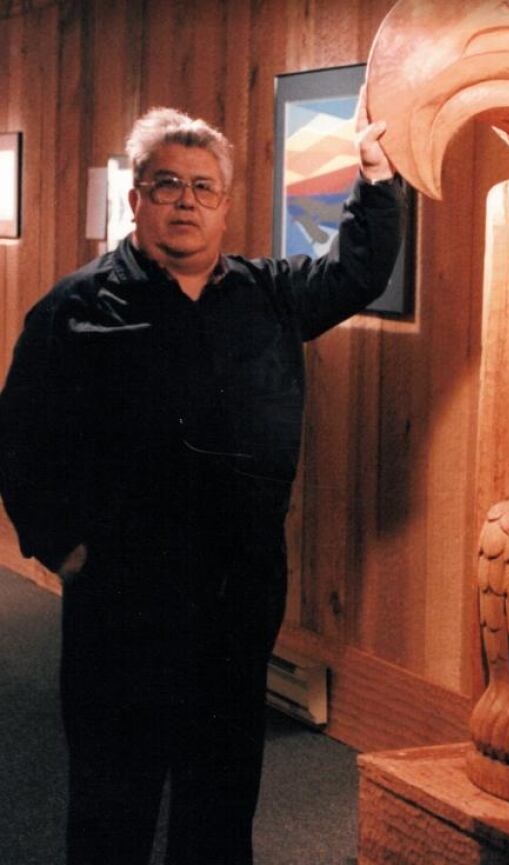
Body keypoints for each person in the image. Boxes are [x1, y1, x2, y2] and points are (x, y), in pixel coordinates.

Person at [0, 91, 401, 865]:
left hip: (235, 594)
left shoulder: (271, 295)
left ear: (223, 205)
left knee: (219, 799)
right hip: (121, 600)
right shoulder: (75, 309)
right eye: (166, 185)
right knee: (113, 800)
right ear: (135, 198)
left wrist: (377, 178)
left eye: (201, 187)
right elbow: (18, 435)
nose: (185, 201)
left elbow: (357, 271)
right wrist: (60, 546)